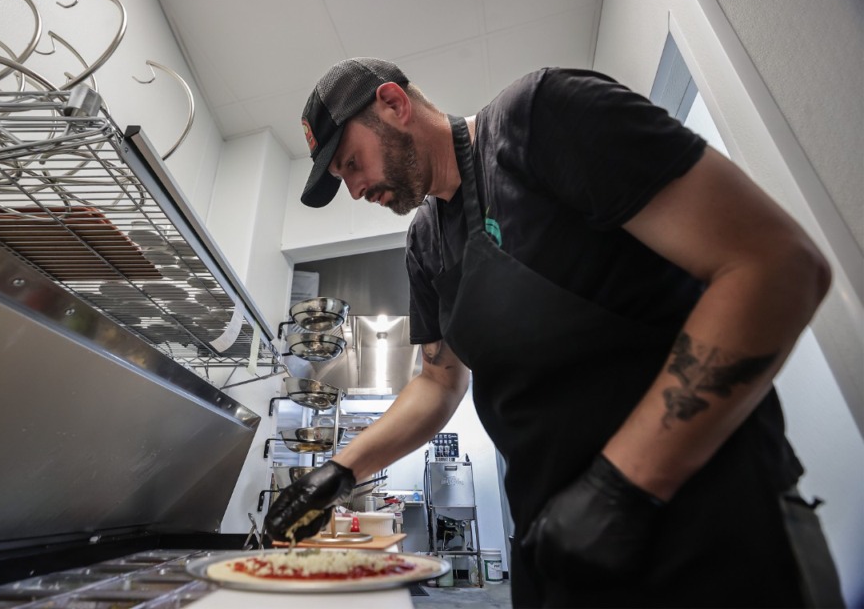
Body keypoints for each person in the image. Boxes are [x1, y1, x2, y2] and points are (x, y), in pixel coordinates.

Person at [265, 57, 844, 607]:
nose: (355, 190)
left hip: (708, 525)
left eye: (351, 163)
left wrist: (623, 487)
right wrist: (339, 471)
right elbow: (439, 383)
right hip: (560, 548)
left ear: (392, 104)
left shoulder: (539, 120)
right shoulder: (424, 245)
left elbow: (772, 265)